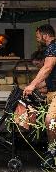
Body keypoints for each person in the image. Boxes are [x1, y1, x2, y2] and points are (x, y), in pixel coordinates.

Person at [23, 24, 56, 164]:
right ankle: (52, 149)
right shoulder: (50, 48)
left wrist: (32, 85)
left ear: (45, 35)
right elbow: (50, 76)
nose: (37, 39)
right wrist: (34, 86)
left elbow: (47, 68)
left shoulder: (53, 47)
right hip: (52, 92)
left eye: (38, 36)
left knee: (50, 121)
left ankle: (53, 150)